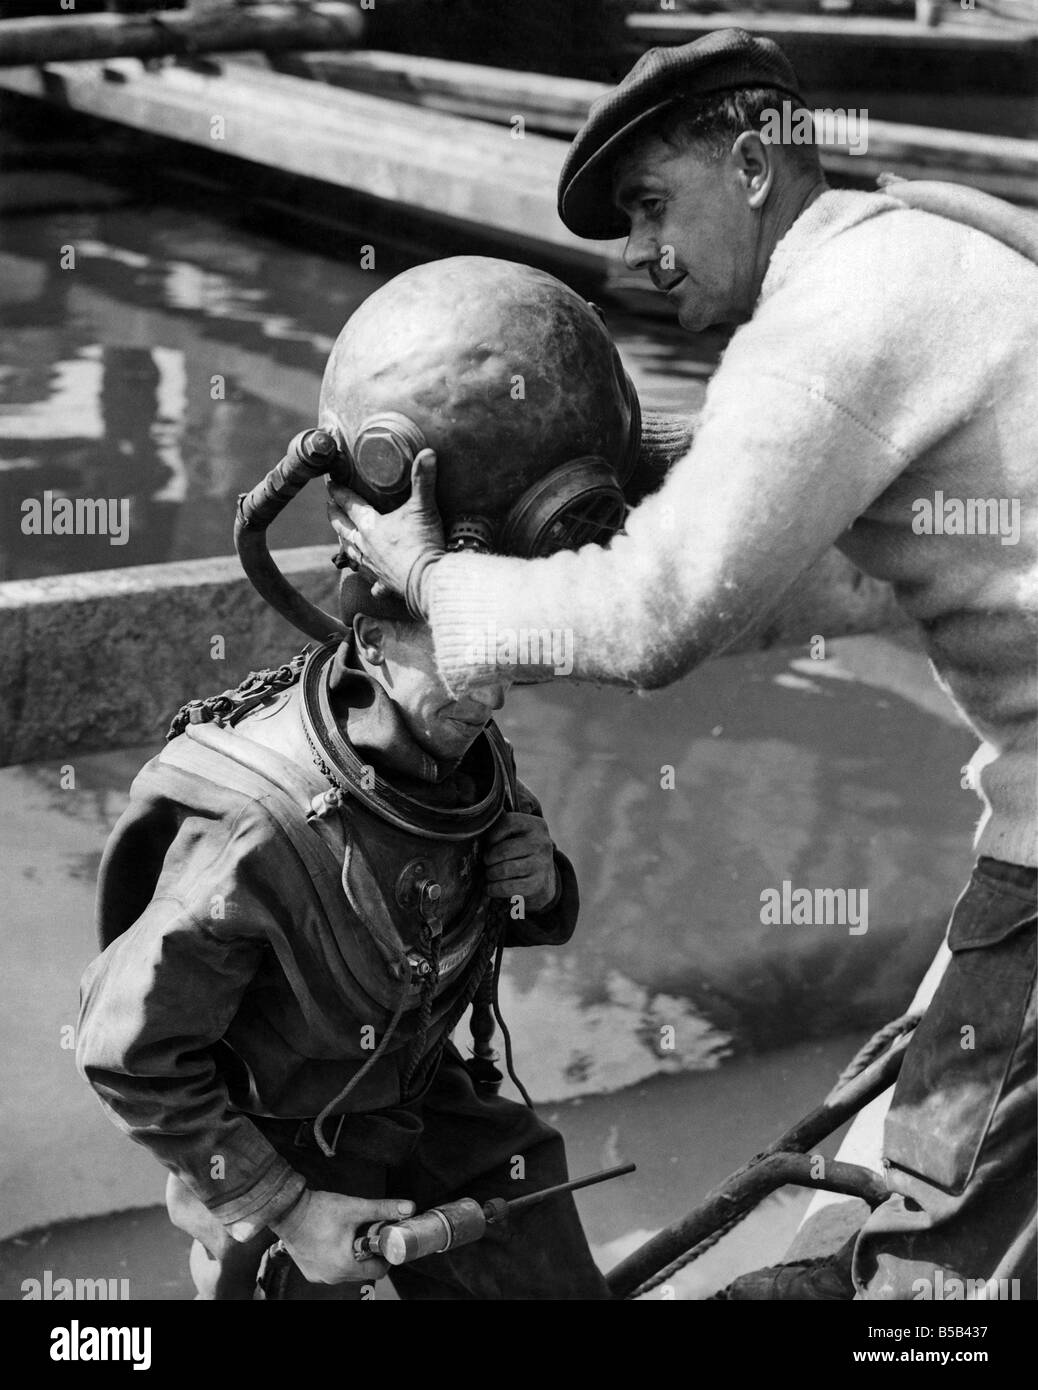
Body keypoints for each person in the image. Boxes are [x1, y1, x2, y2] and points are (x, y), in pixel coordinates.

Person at [328, 29, 1037, 1299]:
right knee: (920, 1145)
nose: (645, 258)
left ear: (755, 164)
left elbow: (660, 617)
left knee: (929, 1242)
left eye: (657, 205)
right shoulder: (909, 253)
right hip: (1022, 801)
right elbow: (805, 505)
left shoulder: (829, 323)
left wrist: (439, 580)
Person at [76, 567, 611, 1300]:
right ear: (373, 641)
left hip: (417, 1085)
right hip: (276, 1124)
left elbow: (441, 942)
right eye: (465, 666)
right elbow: (124, 1053)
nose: (490, 698)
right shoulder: (262, 825)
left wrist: (540, 887)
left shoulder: (470, 761)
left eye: (504, 669)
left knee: (532, 1217)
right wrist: (287, 1210)